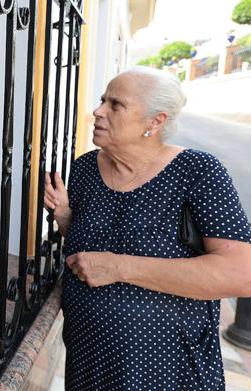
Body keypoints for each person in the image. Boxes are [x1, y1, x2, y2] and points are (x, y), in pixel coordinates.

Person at [43, 66, 251, 390]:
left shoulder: (198, 171)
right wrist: (64, 214)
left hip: (163, 368)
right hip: (88, 360)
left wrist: (118, 267)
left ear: (155, 122)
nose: (97, 112)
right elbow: (87, 245)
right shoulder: (84, 167)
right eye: (102, 101)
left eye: (116, 105)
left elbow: (241, 274)